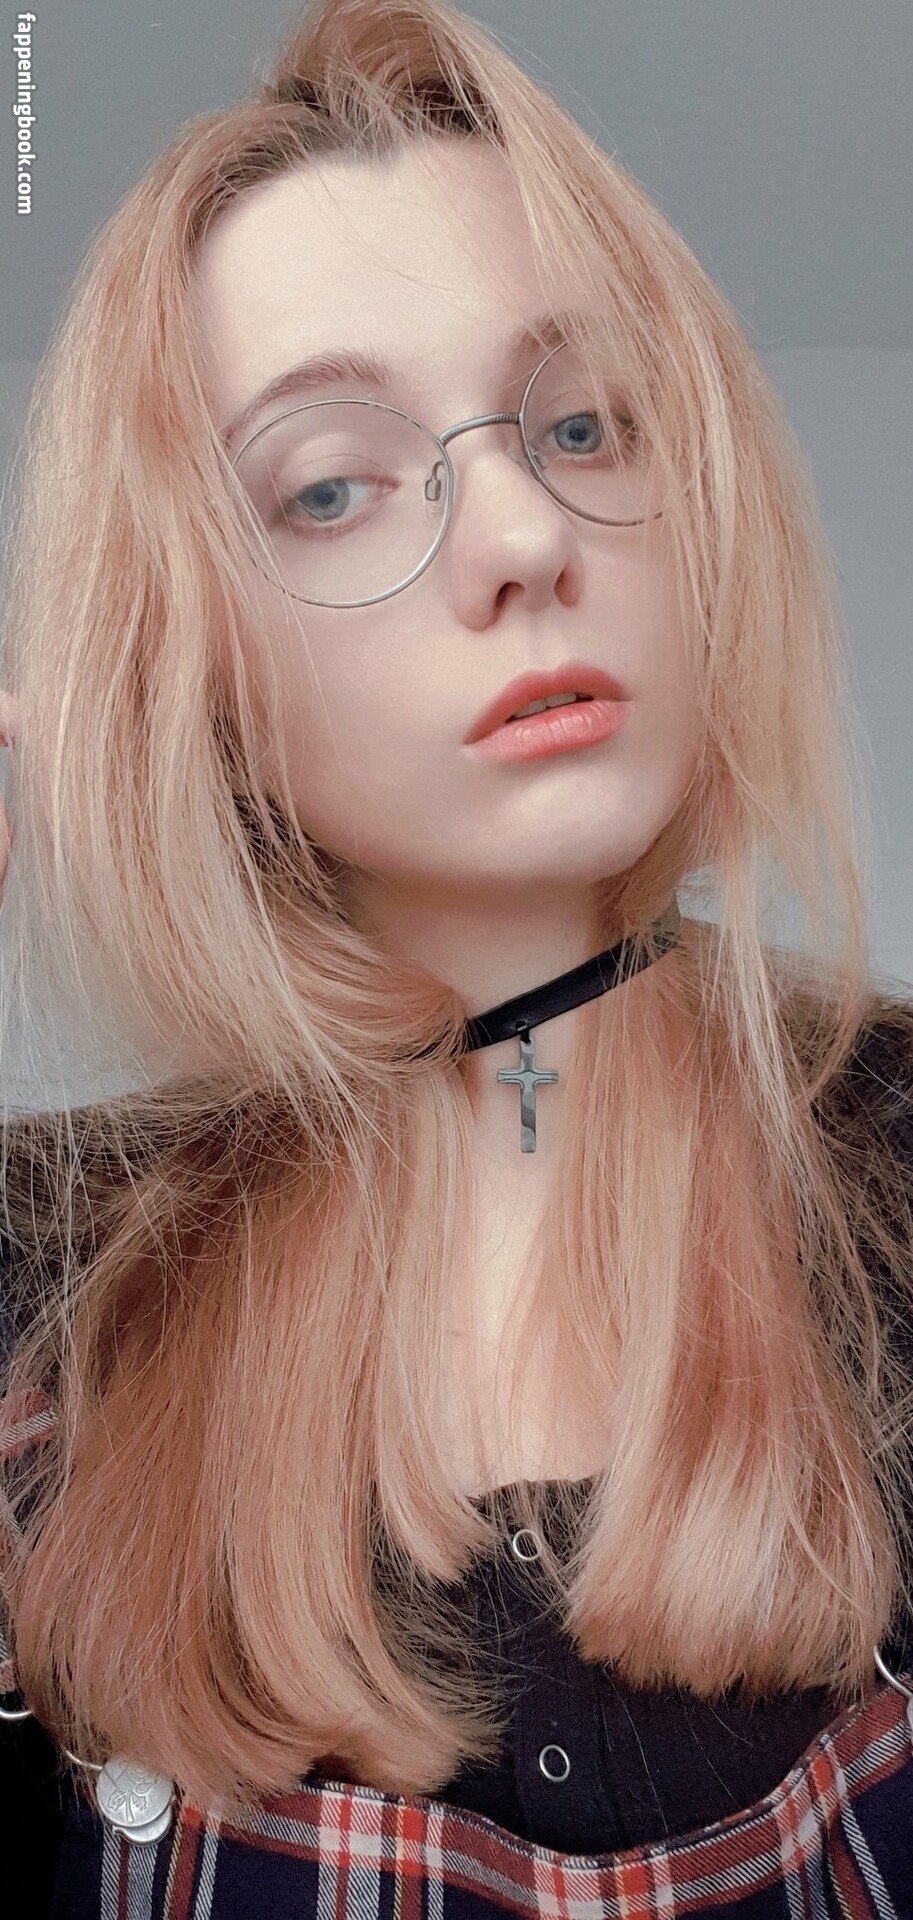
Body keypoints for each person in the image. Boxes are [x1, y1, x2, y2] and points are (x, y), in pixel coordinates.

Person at [1, 0, 912, 1911]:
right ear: (176, 665)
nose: (520, 532)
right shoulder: (44, 1282)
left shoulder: (895, 1160)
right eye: (332, 484)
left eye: (578, 423)